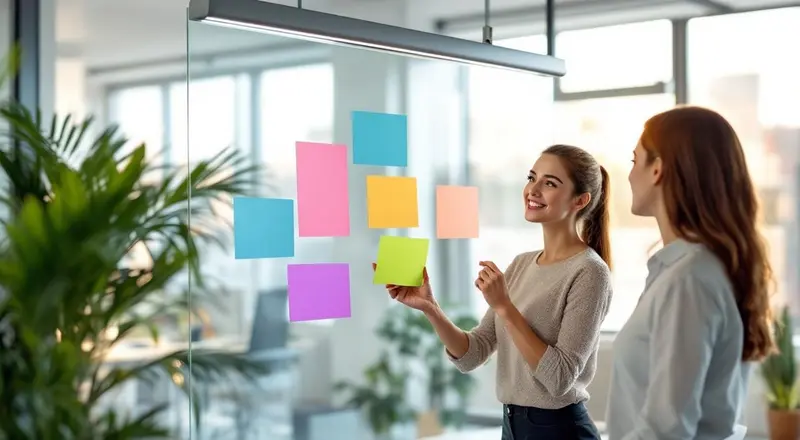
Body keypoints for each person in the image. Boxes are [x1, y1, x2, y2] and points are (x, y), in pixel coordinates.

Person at [375, 144, 613, 440]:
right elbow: (472, 354)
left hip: (559, 430)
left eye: (550, 183)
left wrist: (505, 307)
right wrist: (429, 306)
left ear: (580, 200)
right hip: (512, 426)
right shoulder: (521, 264)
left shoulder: (590, 272)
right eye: (532, 178)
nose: (533, 190)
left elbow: (559, 378)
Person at [606, 106, 775, 440]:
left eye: (635, 160)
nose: (629, 175)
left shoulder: (689, 280)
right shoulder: (686, 271)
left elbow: (666, 431)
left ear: (658, 169)